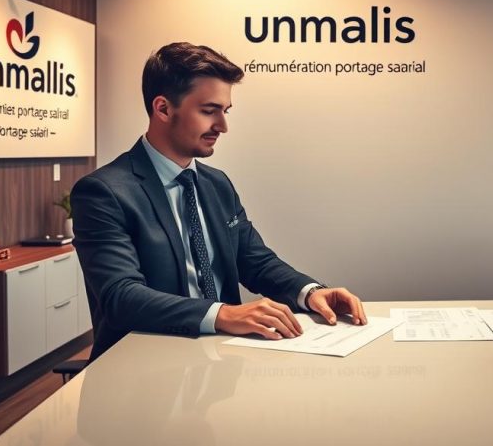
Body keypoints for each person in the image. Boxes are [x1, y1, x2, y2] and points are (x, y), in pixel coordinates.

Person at [72, 41, 366, 360]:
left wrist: (311, 292)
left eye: (224, 111)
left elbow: (254, 260)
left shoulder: (217, 184)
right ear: (163, 108)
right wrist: (222, 314)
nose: (223, 127)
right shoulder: (104, 191)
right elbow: (121, 297)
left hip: (218, 364)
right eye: (209, 111)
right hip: (140, 365)